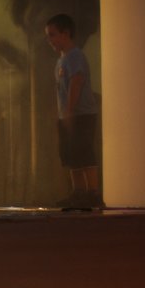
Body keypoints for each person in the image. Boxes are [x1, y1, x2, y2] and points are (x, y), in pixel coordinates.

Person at [45, 13, 102, 208]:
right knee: (71, 154)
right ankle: (78, 192)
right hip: (67, 115)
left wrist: (69, 111)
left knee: (83, 151)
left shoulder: (75, 56)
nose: (49, 40)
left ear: (65, 33)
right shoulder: (60, 61)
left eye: (52, 35)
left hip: (81, 114)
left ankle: (93, 193)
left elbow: (76, 83)